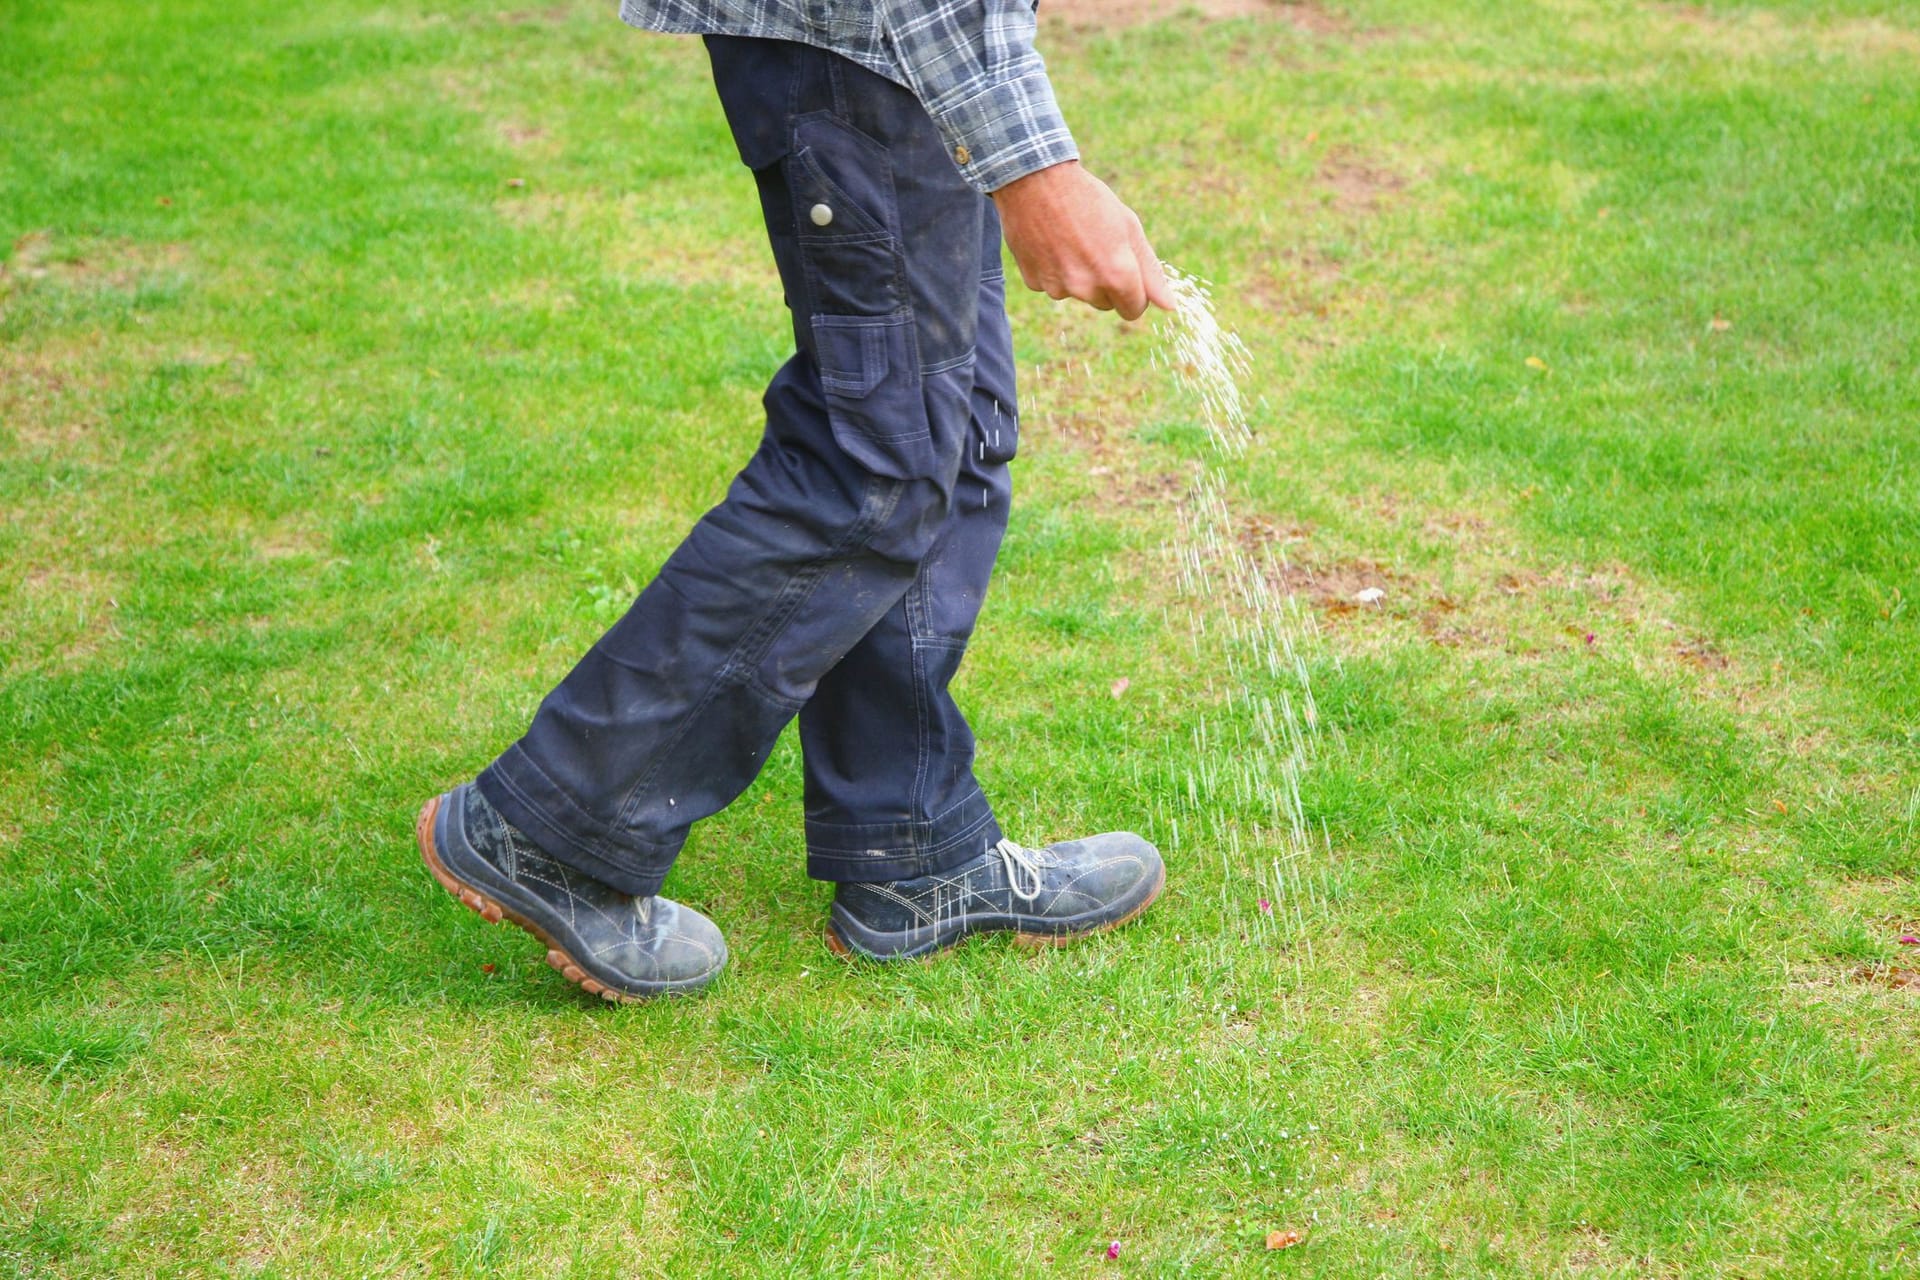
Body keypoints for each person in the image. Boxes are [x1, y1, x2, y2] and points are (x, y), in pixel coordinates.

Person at [416, 0, 1177, 1000]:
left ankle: (911, 852)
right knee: (877, 464)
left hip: (891, 53)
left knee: (950, 431)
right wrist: (1034, 164)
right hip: (864, 45)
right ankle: (554, 821)